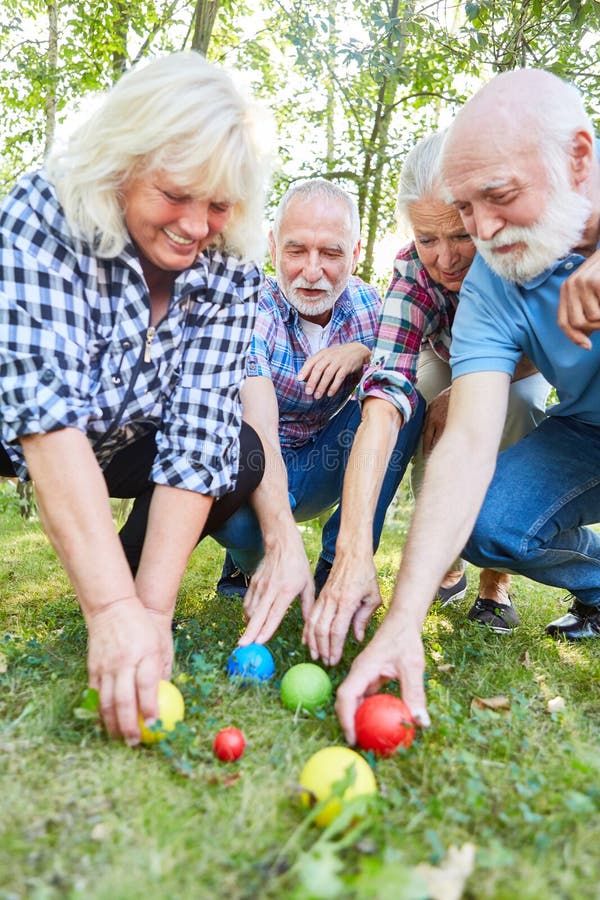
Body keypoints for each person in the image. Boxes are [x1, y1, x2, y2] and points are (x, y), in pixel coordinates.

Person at [0, 52, 272, 743]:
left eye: (217, 204)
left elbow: (199, 433)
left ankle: (124, 587)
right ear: (123, 165)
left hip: (120, 438)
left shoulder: (234, 265)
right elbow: (47, 423)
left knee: (236, 451)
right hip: (30, 420)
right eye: (175, 194)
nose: (195, 224)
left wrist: (148, 611)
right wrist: (109, 609)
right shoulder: (45, 214)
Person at [330, 67, 600, 742]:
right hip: (585, 433)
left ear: (579, 158)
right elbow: (467, 444)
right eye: (464, 209)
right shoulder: (494, 277)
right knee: (489, 524)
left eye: (496, 197)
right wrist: (402, 620)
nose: (476, 236)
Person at [303, 132, 549, 662]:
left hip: (520, 359)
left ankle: (494, 585)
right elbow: (384, 392)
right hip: (444, 350)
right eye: (426, 238)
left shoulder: (520, 254)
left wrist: (466, 389)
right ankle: (448, 558)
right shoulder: (412, 271)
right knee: (414, 407)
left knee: (519, 410)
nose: (445, 258)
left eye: (459, 235)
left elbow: (542, 346)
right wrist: (352, 550)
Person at [211, 179, 425, 646]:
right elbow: (258, 426)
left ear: (355, 250)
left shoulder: (376, 307)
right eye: (296, 251)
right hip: (255, 469)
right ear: (272, 247)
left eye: (330, 253)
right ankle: (254, 566)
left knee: (404, 397)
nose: (312, 272)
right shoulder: (247, 307)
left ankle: (337, 567)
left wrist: (364, 351)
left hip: (323, 464)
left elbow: (423, 352)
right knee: (231, 515)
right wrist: (280, 535)